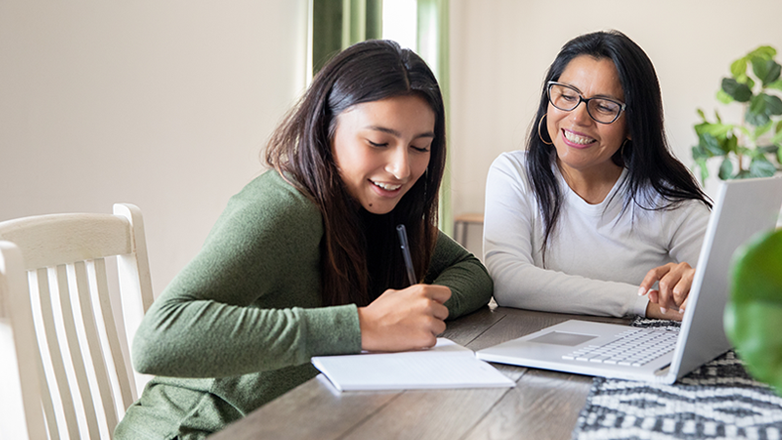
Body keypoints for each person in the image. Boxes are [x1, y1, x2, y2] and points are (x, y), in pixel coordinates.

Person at [115, 39, 492, 439]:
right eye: (378, 143)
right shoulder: (284, 209)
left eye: (421, 147)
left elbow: (472, 273)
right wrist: (362, 325)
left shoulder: (380, 207)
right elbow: (157, 339)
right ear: (326, 128)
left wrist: (414, 311)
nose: (401, 168)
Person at [483, 30, 711, 320]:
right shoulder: (514, 174)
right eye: (567, 96)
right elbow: (509, 282)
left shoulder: (666, 201)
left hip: (632, 354)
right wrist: (643, 303)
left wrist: (700, 281)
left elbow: (734, 288)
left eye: (604, 106)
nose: (578, 117)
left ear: (633, 125)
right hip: (535, 349)